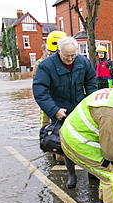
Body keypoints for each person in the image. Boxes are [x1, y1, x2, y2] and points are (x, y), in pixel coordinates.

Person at [33, 36, 97, 189]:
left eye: (73, 55)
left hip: (80, 106)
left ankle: (92, 172)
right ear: (59, 51)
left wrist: (91, 103)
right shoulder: (46, 66)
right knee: (66, 143)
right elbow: (40, 91)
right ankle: (72, 174)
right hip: (60, 109)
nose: (70, 59)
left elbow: (91, 83)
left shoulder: (83, 62)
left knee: (90, 139)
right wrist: (54, 110)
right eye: (66, 55)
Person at [33, 31, 67, 165]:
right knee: (49, 126)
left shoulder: (67, 61)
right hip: (49, 102)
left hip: (63, 101)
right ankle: (54, 152)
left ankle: (60, 154)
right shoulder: (41, 64)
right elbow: (39, 88)